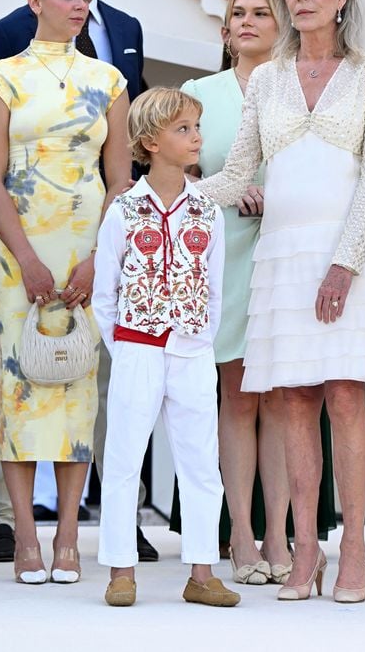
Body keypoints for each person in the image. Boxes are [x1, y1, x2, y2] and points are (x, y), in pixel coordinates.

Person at [197, 0, 365, 603]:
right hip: (281, 255)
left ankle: (352, 553)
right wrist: (167, 193)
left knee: (344, 396)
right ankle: (305, 548)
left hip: (350, 253)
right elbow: (237, 174)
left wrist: (345, 262)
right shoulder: (267, 79)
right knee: (291, 398)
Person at [0, 0, 157, 565]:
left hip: (91, 245)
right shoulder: (3, 66)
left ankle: (71, 535)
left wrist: (96, 258)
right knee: (20, 379)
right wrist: (22, 255)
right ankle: (21, 530)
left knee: (83, 384)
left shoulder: (110, 74)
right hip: (19, 246)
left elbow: (121, 178)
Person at [179, 0, 335, 584]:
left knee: (283, 397)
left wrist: (279, 194)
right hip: (223, 255)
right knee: (237, 394)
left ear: (281, 25)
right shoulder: (199, 91)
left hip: (288, 251)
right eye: (237, 13)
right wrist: (223, 191)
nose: (246, 22)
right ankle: (239, 533)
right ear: (225, 29)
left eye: (260, 13)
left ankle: (281, 536)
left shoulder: (303, 88)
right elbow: (177, 175)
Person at [93, 87, 240, 608]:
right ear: (151, 141)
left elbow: (215, 287)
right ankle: (120, 571)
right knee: (124, 457)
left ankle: (202, 572)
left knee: (202, 461)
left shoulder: (208, 212)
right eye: (183, 129)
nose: (196, 137)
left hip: (193, 352)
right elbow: (103, 293)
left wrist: (196, 339)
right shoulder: (124, 210)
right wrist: (128, 345)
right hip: (137, 348)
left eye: (197, 127)